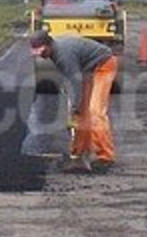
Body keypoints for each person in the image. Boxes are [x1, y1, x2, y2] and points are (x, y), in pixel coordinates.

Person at [29, 29, 117, 172]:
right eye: (35, 51)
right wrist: (75, 107)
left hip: (103, 65)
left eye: (40, 50)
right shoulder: (53, 52)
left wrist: (73, 107)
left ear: (48, 44)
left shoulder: (63, 54)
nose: (39, 54)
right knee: (82, 112)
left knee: (95, 111)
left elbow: (75, 81)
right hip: (88, 69)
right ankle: (79, 154)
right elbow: (70, 79)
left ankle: (106, 157)